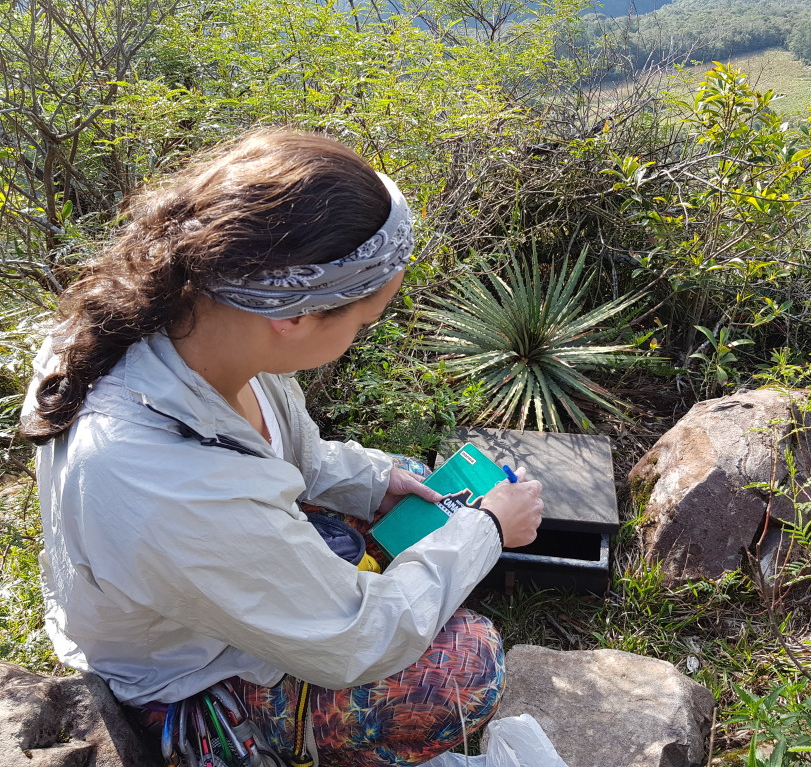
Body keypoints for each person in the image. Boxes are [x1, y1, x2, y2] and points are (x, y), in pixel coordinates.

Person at [19, 128, 544, 766]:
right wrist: (488, 531)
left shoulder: (196, 320)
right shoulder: (163, 479)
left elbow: (288, 454)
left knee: (410, 484)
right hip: (183, 670)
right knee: (463, 664)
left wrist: (376, 482)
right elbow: (357, 639)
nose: (361, 335)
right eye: (364, 322)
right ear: (293, 317)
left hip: (199, 566)